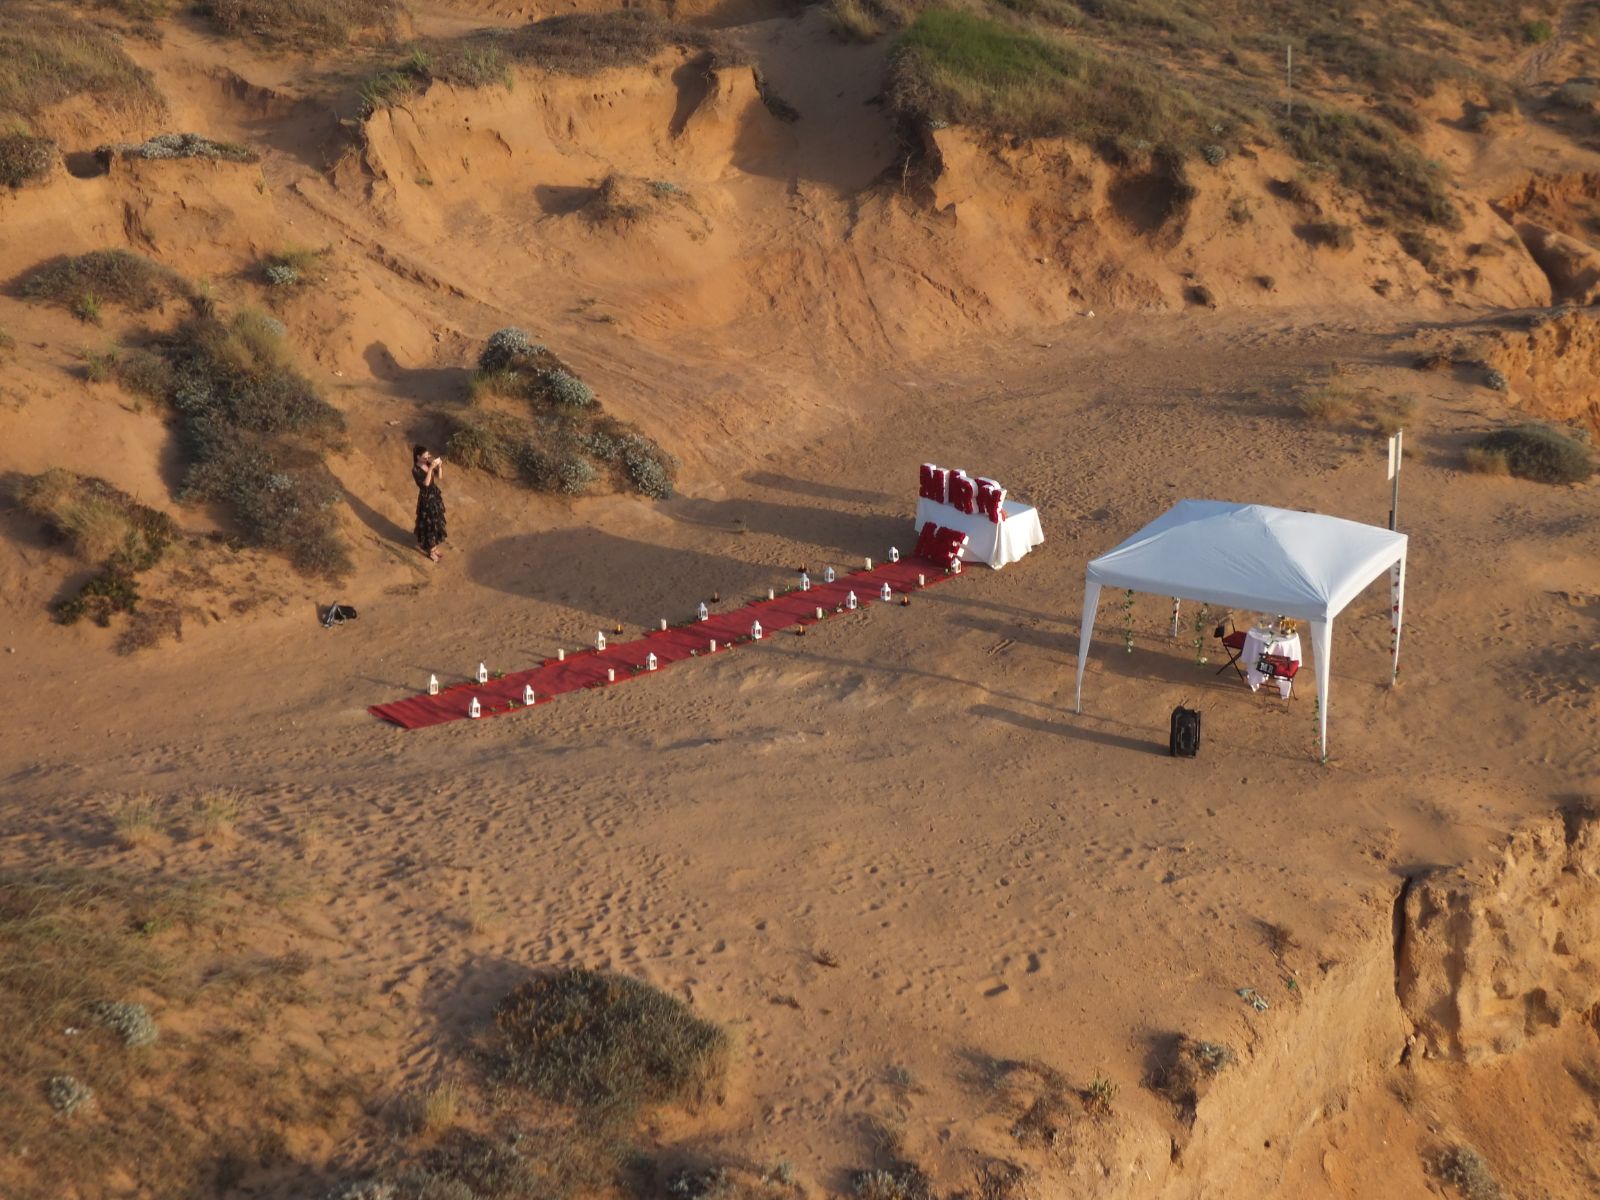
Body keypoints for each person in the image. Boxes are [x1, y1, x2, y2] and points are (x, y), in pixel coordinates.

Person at [412, 445, 447, 561]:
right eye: (425, 457)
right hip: (426, 499)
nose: (427, 459)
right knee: (429, 524)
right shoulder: (416, 470)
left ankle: (434, 548)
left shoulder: (428, 463)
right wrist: (431, 469)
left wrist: (439, 466)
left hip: (434, 496)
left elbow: (439, 477)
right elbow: (426, 484)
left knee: (436, 522)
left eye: (428, 456)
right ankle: (431, 552)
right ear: (418, 457)